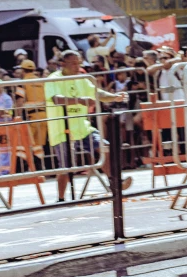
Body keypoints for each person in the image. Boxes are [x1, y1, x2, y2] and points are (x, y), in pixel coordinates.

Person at [44, 50, 132, 202]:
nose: (77, 67)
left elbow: (96, 93)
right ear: (62, 64)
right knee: (65, 167)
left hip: (82, 127)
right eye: (73, 64)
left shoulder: (81, 78)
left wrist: (115, 96)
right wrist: (79, 100)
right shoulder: (53, 79)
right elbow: (56, 99)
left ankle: (116, 184)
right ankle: (61, 198)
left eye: (79, 63)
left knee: (104, 148)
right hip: (61, 128)